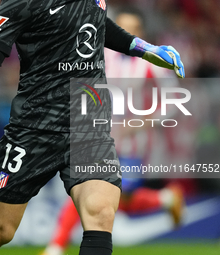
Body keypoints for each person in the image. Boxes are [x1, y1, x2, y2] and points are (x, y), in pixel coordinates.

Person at [0, 1, 184, 255]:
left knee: (101, 213)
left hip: (88, 126)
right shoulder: (21, 3)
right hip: (34, 129)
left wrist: (143, 48)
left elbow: (96, 23)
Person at [41, 7, 185, 255]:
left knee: (118, 198)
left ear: (140, 33)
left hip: (134, 143)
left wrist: (141, 122)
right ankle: (56, 246)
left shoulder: (152, 65)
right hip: (98, 134)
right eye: (120, 26)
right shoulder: (104, 55)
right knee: (89, 185)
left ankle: (165, 199)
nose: (124, 32)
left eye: (131, 28)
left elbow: (174, 101)